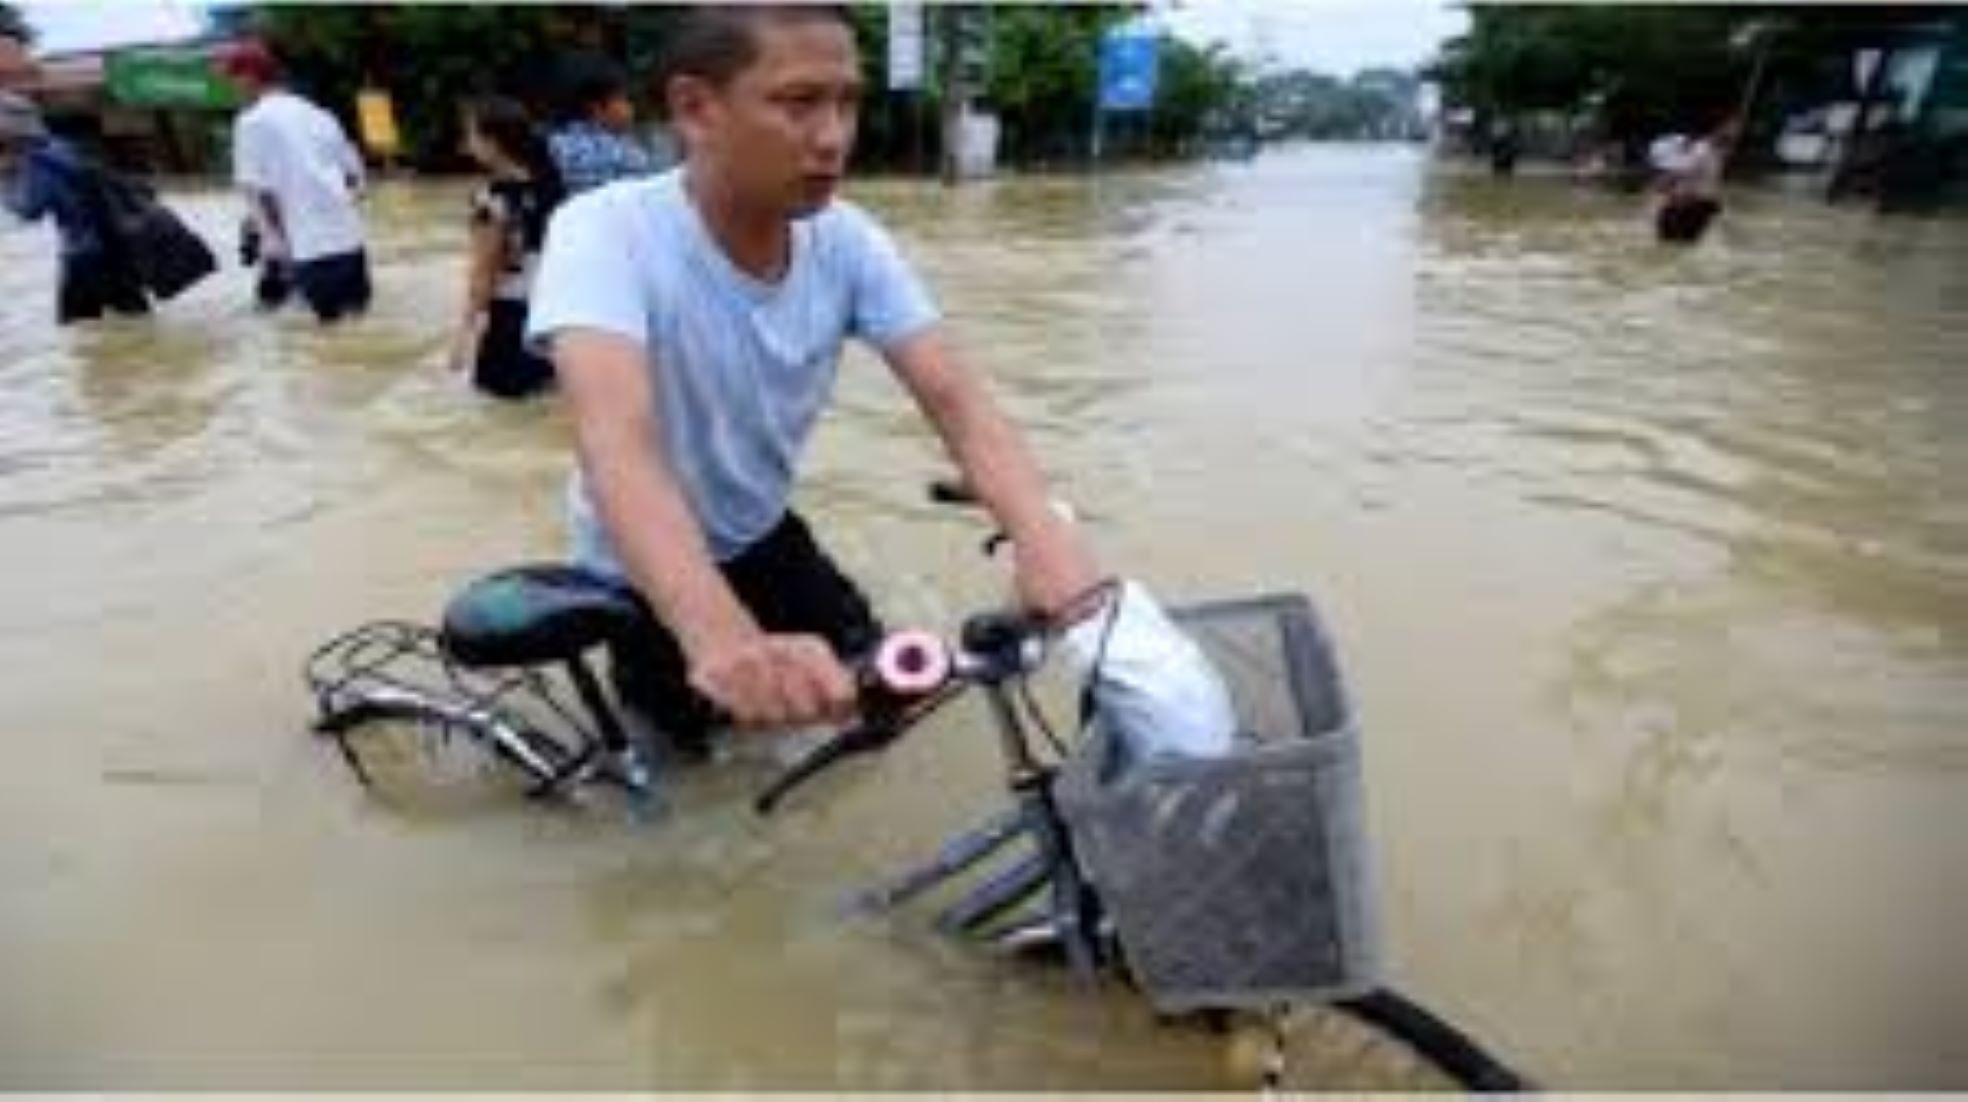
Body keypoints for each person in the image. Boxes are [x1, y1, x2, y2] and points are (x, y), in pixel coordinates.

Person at [526, 5, 1103, 749]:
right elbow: (618, 447)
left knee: (883, 701)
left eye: (847, 103)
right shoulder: (603, 232)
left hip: (762, 530)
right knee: (689, 772)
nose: (833, 138)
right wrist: (719, 634)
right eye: (798, 103)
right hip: (643, 566)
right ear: (695, 109)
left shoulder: (850, 242)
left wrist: (1040, 533)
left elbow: (958, 403)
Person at [221, 42, 371, 323]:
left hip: (310, 250)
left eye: (232, 78)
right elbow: (357, 180)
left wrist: (271, 241)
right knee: (357, 331)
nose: (233, 87)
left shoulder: (251, 121)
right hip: (351, 244)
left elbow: (252, 189)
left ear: (248, 77)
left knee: (323, 348)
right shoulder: (321, 114)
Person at [449, 96, 565, 400]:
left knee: (498, 411)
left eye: (471, 134)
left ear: (493, 142)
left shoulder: (489, 200)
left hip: (510, 322)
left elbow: (483, 274)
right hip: (553, 317)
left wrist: (464, 334)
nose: (467, 143)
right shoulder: (552, 186)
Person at [1, 91, 150, 324]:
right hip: (117, 249)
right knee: (135, 321)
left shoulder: (37, 161)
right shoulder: (63, 148)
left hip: (83, 257)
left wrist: (5, 184)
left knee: (79, 332)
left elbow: (30, 210)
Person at [547, 56, 662, 196]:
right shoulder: (609, 153)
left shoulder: (560, 139)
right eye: (623, 100)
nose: (631, 108)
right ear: (596, 109)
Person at [1651, 115, 1737, 245]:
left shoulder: (1716, 152)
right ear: (1718, 129)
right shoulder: (1701, 150)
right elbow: (1676, 173)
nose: (1735, 132)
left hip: (1697, 207)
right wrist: (1664, 190)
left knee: (1683, 248)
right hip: (1685, 209)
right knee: (1675, 246)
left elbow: (1708, 182)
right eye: (1731, 127)